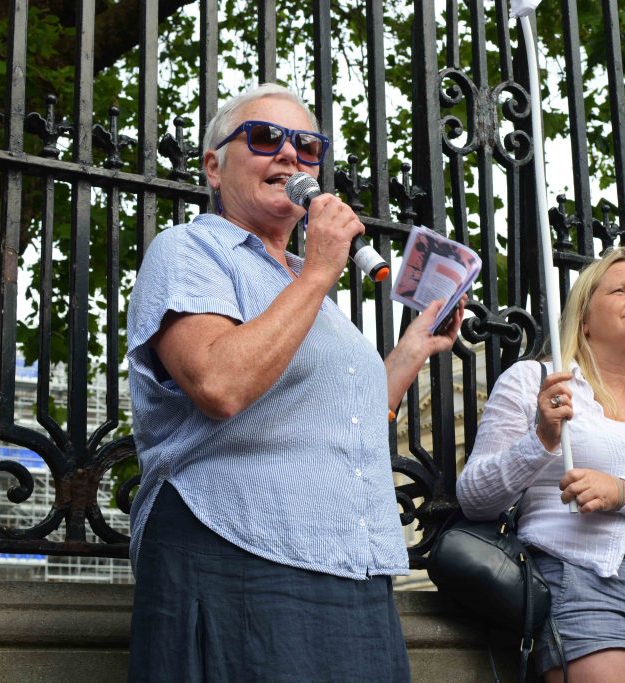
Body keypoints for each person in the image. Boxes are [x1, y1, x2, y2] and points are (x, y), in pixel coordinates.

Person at [125, 83, 464, 682]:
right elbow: (219, 384)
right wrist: (320, 272)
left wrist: (414, 347)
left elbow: (346, 416)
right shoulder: (191, 249)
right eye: (265, 137)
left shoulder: (310, 292)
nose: (289, 154)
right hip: (237, 548)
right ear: (213, 166)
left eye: (307, 147)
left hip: (350, 565)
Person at [457, 247, 625, 683]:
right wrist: (541, 440)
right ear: (584, 319)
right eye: (620, 290)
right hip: (576, 574)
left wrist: (623, 492)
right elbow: (475, 497)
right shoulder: (535, 381)